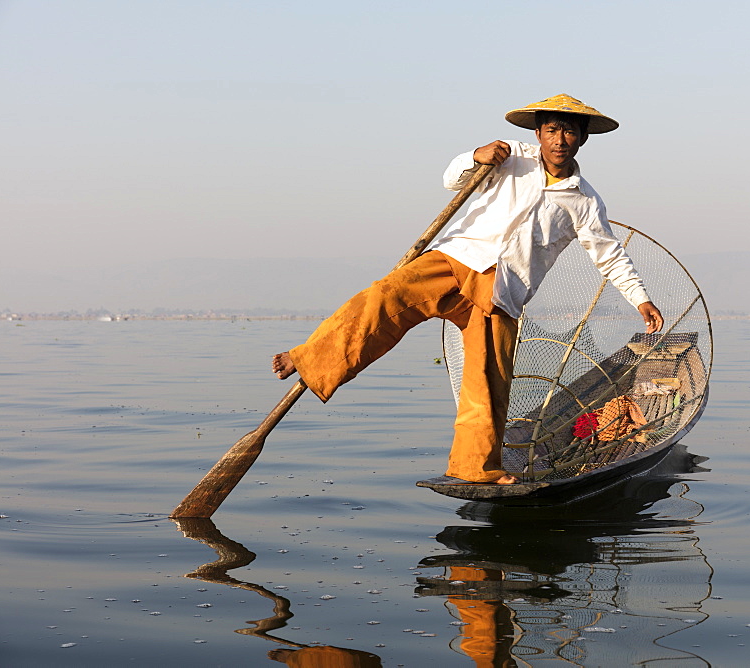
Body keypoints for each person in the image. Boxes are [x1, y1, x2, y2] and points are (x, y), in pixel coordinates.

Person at [271, 94, 663, 485]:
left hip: (503, 289)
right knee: (383, 298)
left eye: (569, 132)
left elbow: (608, 254)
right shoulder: (510, 158)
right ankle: (309, 359)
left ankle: (477, 468)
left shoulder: (584, 200)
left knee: (488, 379)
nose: (560, 139)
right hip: (456, 259)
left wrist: (640, 298)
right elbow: (452, 180)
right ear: (539, 135)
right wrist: (475, 156)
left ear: (582, 140)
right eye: (552, 130)